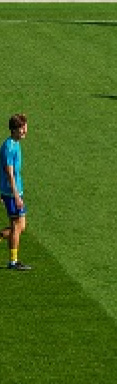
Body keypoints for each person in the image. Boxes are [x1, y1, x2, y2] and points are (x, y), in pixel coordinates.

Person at [0, 114, 31, 271]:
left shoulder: (15, 143)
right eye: (22, 128)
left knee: (21, 227)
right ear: (14, 130)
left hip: (16, 191)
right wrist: (16, 195)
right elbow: (9, 173)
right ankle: (13, 261)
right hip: (12, 193)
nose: (25, 130)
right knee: (16, 225)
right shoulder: (9, 147)